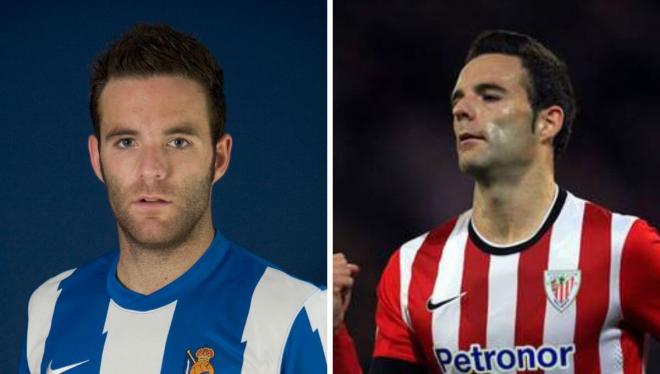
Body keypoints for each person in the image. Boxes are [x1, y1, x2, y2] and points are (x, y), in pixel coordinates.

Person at [334, 30, 660, 373]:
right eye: (457, 100)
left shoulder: (623, 246)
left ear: (547, 122)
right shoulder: (412, 268)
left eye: (489, 97)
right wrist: (336, 331)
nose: (461, 109)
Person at [20, 23, 326, 374]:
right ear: (97, 158)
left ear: (219, 158)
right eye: (126, 142)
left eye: (177, 142)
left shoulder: (294, 315)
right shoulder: (51, 307)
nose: (151, 170)